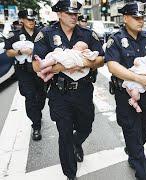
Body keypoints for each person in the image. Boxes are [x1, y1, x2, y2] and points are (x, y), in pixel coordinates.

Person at [32, 0, 104, 179]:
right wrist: (64, 66)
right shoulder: (46, 34)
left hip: (83, 91)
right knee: (64, 134)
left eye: (75, 13)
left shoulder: (87, 34)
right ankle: (70, 174)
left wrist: (80, 61)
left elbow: (102, 59)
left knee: (85, 127)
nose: (74, 16)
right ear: (59, 14)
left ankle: (76, 142)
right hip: (60, 93)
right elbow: (36, 65)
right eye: (69, 13)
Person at [104, 2, 146, 180]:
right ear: (125, 18)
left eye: (142, 18)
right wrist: (137, 78)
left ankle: (132, 149)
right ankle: (141, 172)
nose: (140, 21)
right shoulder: (115, 38)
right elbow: (112, 66)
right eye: (136, 17)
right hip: (126, 95)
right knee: (131, 130)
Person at [4, 9, 46, 141]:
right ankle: (36, 125)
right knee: (30, 96)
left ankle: (37, 114)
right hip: (24, 71)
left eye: (33, 19)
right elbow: (8, 52)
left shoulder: (42, 32)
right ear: (22, 20)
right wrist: (21, 51)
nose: (32, 22)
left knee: (41, 96)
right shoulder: (14, 35)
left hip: (39, 70)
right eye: (29, 19)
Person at [34, 41, 99, 81]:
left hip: (71, 60)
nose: (74, 46)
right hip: (67, 62)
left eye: (76, 46)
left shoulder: (82, 53)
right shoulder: (72, 51)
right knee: (52, 69)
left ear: (82, 50)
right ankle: (45, 77)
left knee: (55, 58)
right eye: (74, 45)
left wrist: (87, 51)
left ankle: (43, 64)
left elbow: (94, 56)